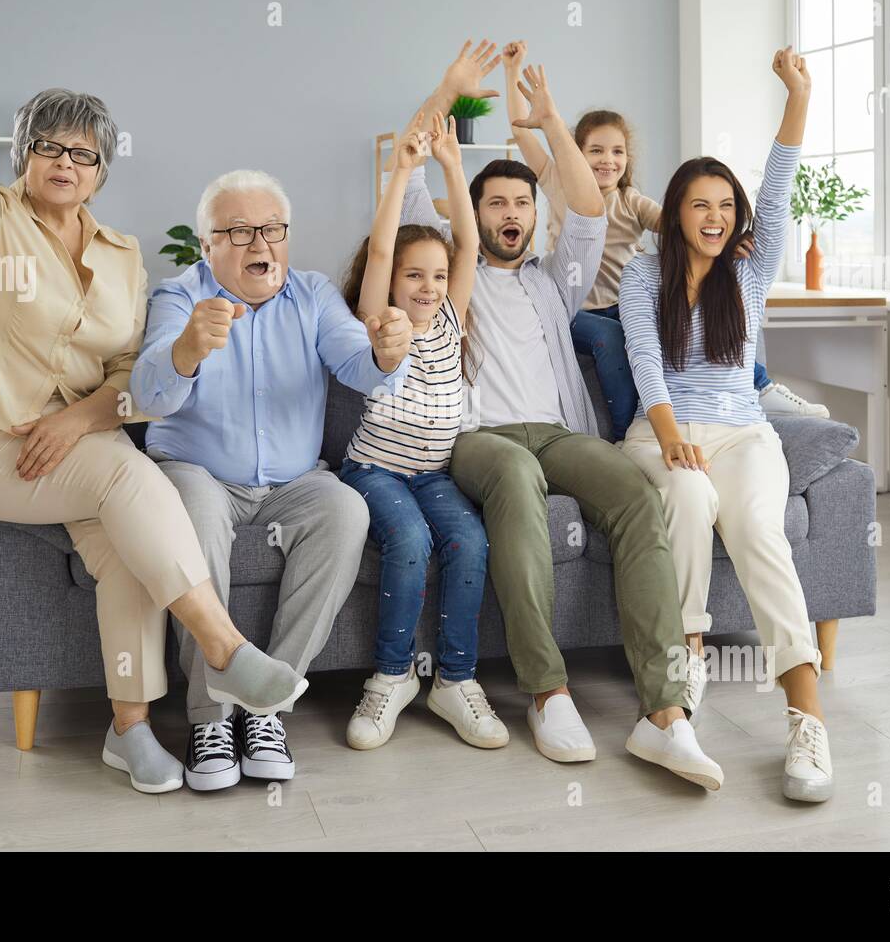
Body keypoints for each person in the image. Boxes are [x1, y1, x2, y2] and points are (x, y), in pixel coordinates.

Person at [0, 0, 303, 795]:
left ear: (101, 171)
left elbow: (131, 373)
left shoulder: (123, 254)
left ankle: (129, 730)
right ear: (25, 155)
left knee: (127, 555)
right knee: (128, 473)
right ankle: (223, 647)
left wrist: (79, 419)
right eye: (51, 145)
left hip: (72, 444)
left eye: (84, 152)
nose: (67, 160)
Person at [399, 41, 722, 789]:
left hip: (559, 434)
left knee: (639, 497)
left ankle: (665, 715)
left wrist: (547, 120)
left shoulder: (556, 280)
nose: (511, 213)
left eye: (520, 203)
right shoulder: (450, 275)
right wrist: (449, 88)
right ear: (473, 217)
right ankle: (548, 690)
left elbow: (588, 203)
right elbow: (411, 167)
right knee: (514, 473)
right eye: (495, 203)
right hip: (479, 439)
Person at [130, 166, 415, 791]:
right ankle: (210, 716)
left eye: (272, 229)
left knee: (346, 511)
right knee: (194, 517)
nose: (259, 244)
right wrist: (186, 350)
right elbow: (147, 393)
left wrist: (387, 355)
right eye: (237, 231)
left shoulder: (312, 295)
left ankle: (267, 709)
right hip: (196, 471)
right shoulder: (178, 297)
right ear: (207, 245)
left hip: (294, 482)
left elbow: (357, 362)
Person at [618, 46, 833, 803]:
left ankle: (807, 722)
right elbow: (645, 357)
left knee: (759, 529)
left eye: (724, 206)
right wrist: (671, 430)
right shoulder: (645, 274)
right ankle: (687, 666)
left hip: (743, 433)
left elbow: (778, 189)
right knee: (688, 497)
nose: (716, 217)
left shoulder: (750, 268)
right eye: (699, 204)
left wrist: (798, 97)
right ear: (676, 213)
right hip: (660, 432)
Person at [501, 41, 828, 439]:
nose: (608, 159)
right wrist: (511, 72)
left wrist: (732, 238)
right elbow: (523, 135)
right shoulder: (558, 184)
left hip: (623, 305)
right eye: (596, 151)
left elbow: (683, 226)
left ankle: (760, 385)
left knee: (713, 309)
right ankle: (625, 434)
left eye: (617, 151)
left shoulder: (631, 201)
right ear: (576, 153)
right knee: (609, 338)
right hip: (577, 310)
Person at [339, 112, 504, 751]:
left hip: (433, 472)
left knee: (467, 539)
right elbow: (381, 250)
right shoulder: (380, 322)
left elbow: (467, 243)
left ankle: (455, 682)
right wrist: (404, 168)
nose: (429, 287)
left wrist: (454, 165)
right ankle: (391, 676)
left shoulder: (450, 319)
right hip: (373, 470)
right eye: (416, 276)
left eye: (436, 277)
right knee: (408, 540)